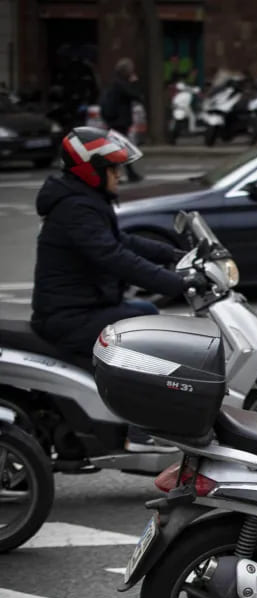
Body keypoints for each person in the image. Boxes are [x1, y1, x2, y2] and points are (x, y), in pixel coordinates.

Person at [31, 127, 198, 451]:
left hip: (83, 307)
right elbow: (113, 257)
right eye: (114, 168)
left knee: (146, 314)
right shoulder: (75, 208)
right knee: (144, 334)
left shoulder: (82, 199)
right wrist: (176, 283)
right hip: (69, 317)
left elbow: (120, 241)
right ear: (90, 170)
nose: (120, 175)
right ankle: (140, 432)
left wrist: (173, 255)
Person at [100, 58, 143, 182]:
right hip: (119, 121)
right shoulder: (121, 84)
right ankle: (110, 176)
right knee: (120, 148)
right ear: (126, 71)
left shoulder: (116, 82)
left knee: (120, 148)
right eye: (131, 70)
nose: (132, 72)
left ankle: (128, 174)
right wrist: (135, 82)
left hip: (116, 120)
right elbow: (135, 95)